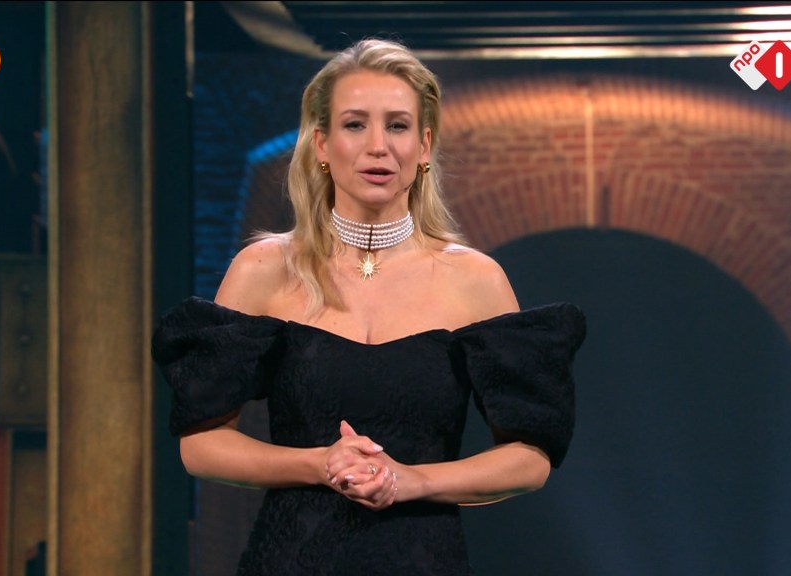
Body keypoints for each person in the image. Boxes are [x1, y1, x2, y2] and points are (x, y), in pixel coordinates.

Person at [151, 37, 587, 575]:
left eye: (397, 126)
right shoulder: (263, 268)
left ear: (424, 146)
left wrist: (412, 480)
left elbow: (528, 459)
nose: (378, 146)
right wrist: (320, 464)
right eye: (355, 124)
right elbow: (201, 446)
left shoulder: (475, 280)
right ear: (322, 143)